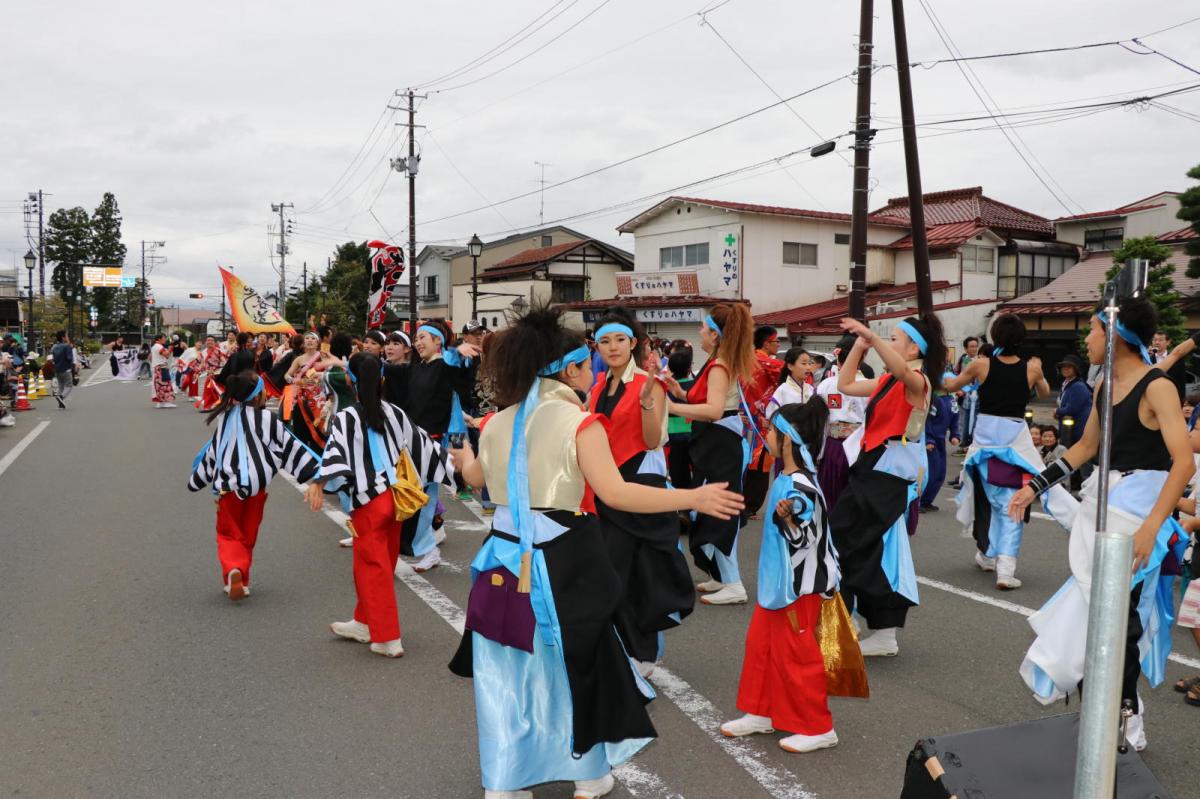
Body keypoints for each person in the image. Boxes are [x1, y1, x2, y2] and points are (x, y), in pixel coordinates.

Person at [446, 304, 743, 799]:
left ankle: (506, 783)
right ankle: (588, 774)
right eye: (588, 362)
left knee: (509, 670)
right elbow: (618, 494)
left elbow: (475, 481)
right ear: (569, 370)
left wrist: (465, 455)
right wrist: (692, 497)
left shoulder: (498, 421)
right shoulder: (580, 423)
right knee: (576, 666)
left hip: (499, 559)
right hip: (563, 562)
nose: (594, 369)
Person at [1010, 296, 1194, 752]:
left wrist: (1154, 526)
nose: (1086, 338)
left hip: (1136, 514)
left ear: (1115, 335)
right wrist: (1035, 484)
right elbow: (1085, 448)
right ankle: (1114, 714)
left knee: (1120, 621)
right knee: (1104, 619)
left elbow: (1184, 462)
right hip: (1103, 507)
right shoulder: (1103, 385)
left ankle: (1124, 718)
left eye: (1092, 329)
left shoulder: (1158, 387)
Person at [305, 353, 455, 658]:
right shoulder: (393, 411)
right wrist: (458, 471)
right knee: (380, 565)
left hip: (368, 503)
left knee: (371, 567)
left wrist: (318, 482)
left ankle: (387, 637)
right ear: (383, 380)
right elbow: (423, 445)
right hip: (396, 500)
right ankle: (363, 621)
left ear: (350, 380)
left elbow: (334, 453)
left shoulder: (346, 416)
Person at [720, 397, 841, 753]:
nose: (766, 436)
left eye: (772, 431)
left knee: (797, 655)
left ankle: (820, 727)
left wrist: (788, 519)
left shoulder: (801, 486)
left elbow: (806, 538)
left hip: (800, 587)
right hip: (778, 586)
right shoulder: (787, 477)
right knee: (761, 647)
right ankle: (762, 711)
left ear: (787, 439)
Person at [830, 314, 946, 657]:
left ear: (914, 348)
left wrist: (871, 337)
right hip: (873, 469)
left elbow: (901, 372)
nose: (888, 343)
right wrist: (861, 347)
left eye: (894, 339)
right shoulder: (888, 381)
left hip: (887, 474)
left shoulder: (919, 382)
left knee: (847, 543)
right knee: (865, 549)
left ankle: (863, 629)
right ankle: (879, 632)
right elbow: (845, 385)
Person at [588, 308, 693, 676]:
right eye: (605, 341)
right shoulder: (599, 386)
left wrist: (648, 400)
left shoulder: (650, 385)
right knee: (610, 571)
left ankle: (644, 653)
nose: (613, 347)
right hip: (605, 485)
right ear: (596, 347)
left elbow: (651, 440)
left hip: (640, 483)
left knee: (638, 572)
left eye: (619, 339)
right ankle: (626, 647)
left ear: (633, 343)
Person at [188, 370, 321, 600]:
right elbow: (289, 446)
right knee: (248, 533)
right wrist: (317, 472)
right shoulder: (267, 419)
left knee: (229, 534)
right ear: (257, 396)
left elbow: (214, 452)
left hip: (228, 489)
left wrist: (197, 479)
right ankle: (243, 579)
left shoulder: (225, 417)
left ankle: (234, 571)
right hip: (257, 489)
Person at [943, 314, 1052, 590]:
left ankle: (989, 555)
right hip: (1015, 442)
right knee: (1011, 505)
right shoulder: (1030, 368)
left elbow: (950, 386)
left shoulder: (981, 364)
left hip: (985, 442)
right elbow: (1044, 393)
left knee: (994, 501)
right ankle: (1005, 567)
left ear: (994, 338)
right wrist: (1038, 369)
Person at [663, 302, 757, 605]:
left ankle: (734, 583)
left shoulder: (719, 364)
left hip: (721, 443)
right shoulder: (718, 360)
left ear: (715, 334)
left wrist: (673, 407)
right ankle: (721, 577)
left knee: (719, 512)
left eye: (704, 327)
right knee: (708, 509)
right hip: (717, 443)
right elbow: (702, 398)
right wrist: (678, 392)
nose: (700, 331)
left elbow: (715, 409)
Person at [382, 319, 479, 571]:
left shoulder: (445, 365)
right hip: (414, 441)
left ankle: (426, 548)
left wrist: (458, 351)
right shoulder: (417, 367)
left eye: (423, 337)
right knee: (413, 496)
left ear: (438, 341)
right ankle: (425, 546)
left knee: (420, 497)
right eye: (415, 338)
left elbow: (456, 366)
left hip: (433, 443)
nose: (417, 342)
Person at [814, 336, 869, 513]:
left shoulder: (826, 385)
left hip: (832, 446)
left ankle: (830, 535)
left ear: (837, 358)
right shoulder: (870, 386)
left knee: (830, 496)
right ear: (862, 356)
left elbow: (818, 420)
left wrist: (817, 452)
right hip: (861, 446)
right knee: (856, 497)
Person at [742, 327, 786, 520]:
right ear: (767, 342)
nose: (779, 345)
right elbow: (787, 373)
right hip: (761, 419)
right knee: (760, 462)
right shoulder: (766, 362)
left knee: (749, 460)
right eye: (776, 341)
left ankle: (746, 504)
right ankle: (749, 505)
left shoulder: (747, 359)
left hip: (746, 416)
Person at [918, 376, 959, 513]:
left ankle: (928, 500)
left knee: (941, 472)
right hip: (931, 440)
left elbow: (955, 418)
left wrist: (954, 434)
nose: (952, 383)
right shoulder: (934, 399)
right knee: (931, 472)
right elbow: (927, 420)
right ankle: (920, 501)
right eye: (949, 380)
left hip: (941, 440)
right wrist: (928, 439)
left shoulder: (952, 400)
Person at [665, 345, 696, 492]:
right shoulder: (695, 387)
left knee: (678, 474)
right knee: (698, 472)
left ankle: (683, 509)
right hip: (695, 435)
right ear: (689, 368)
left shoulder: (665, 388)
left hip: (673, 437)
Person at [1054, 354, 1092, 451]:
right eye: (1063, 367)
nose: (1065, 369)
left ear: (1076, 369)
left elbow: (1072, 409)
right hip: (1068, 429)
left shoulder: (1078, 386)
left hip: (1076, 430)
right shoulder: (1067, 384)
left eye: (1069, 367)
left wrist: (1057, 411)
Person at [954, 336, 981, 453]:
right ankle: (964, 443)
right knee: (964, 420)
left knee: (974, 420)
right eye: (971, 346)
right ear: (966, 348)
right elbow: (957, 374)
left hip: (977, 394)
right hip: (964, 396)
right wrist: (959, 388)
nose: (974, 349)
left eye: (976, 346)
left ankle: (972, 444)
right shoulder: (962, 359)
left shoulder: (980, 360)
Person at [1152, 329, 1188, 403]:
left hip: (1171, 397)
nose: (1157, 342)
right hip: (1152, 397)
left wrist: (1182, 398)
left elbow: (1182, 379)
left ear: (1168, 342)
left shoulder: (1176, 359)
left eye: (1160, 340)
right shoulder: (1147, 359)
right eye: (1154, 340)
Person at [149, 334, 177, 408]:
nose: (165, 339)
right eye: (164, 338)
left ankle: (160, 402)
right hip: (161, 368)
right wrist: (171, 348)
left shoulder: (154, 346)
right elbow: (167, 355)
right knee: (165, 385)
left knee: (159, 386)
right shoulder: (159, 347)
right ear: (158, 339)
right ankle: (166, 402)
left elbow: (150, 357)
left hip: (157, 367)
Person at [50, 331, 75, 410]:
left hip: (57, 369)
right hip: (65, 369)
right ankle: (61, 396)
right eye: (66, 336)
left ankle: (60, 403)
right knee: (69, 386)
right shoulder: (66, 347)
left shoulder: (54, 346)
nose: (68, 337)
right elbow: (69, 358)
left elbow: (52, 358)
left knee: (61, 386)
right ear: (63, 337)